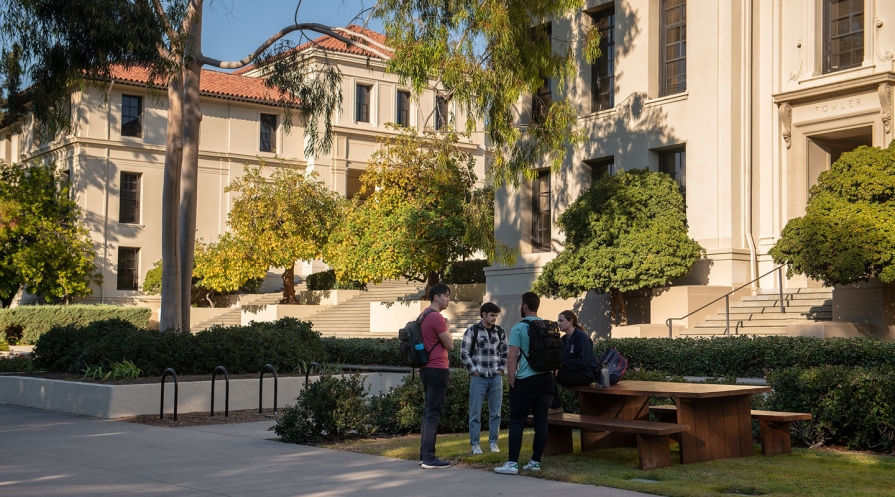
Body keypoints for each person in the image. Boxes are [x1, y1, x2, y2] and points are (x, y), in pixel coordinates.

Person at [494, 291, 554, 475]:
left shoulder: (519, 328)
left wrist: (512, 379)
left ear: (525, 306)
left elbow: (512, 358)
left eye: (522, 304)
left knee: (517, 420)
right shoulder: (548, 325)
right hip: (547, 379)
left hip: (526, 379)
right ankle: (535, 462)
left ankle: (512, 463)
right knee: (541, 421)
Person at [460, 302, 508, 455]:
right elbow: (464, 353)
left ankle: (493, 442)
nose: (494, 318)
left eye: (496, 315)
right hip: (479, 377)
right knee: (475, 412)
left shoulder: (500, 332)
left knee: (496, 412)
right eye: (492, 315)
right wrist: (473, 370)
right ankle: (475, 445)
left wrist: (501, 369)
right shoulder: (472, 331)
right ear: (483, 314)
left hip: (495, 377)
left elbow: (505, 352)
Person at [418, 283, 454, 469]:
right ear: (436, 297)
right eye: (446, 295)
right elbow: (449, 345)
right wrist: (447, 327)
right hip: (437, 367)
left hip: (425, 368)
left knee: (428, 412)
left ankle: (424, 455)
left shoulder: (423, 314)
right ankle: (429, 458)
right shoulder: (436, 317)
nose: (448, 299)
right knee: (433, 413)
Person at [550, 310, 599, 411]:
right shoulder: (563, 339)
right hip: (573, 372)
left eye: (561, 320)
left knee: (551, 376)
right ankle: (551, 405)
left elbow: (583, 361)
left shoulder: (582, 337)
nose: (558, 324)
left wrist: (562, 365)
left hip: (586, 374)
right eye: (558, 321)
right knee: (549, 373)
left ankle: (555, 406)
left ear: (570, 321)